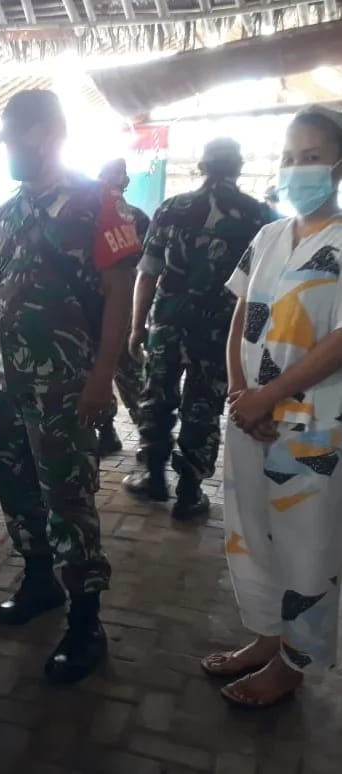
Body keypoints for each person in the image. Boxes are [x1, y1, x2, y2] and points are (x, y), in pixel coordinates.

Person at [0, 90, 142, 684]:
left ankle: (87, 623)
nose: (8, 150)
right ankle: (39, 581)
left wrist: (103, 377)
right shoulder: (7, 211)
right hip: (2, 381)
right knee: (14, 483)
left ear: (47, 135)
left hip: (63, 385)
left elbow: (119, 294)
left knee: (69, 497)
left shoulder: (100, 204)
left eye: (15, 138)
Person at [201, 106, 342, 708]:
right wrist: (241, 390)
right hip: (249, 416)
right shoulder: (268, 236)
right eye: (288, 158)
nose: (296, 169)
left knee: (307, 545)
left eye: (312, 157)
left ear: (338, 166)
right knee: (250, 532)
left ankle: (293, 663)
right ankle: (265, 636)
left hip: (313, 428)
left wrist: (269, 396)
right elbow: (242, 313)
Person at [123, 138, 266, 519]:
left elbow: (147, 274)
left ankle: (153, 476)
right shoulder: (259, 216)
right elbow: (261, 290)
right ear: (239, 167)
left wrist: (137, 328)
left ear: (201, 167)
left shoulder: (171, 209)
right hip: (221, 333)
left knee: (157, 398)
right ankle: (190, 493)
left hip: (167, 325)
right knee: (203, 405)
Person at [97, 158, 151, 457]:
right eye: (109, 174)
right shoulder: (92, 214)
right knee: (99, 373)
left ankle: (147, 435)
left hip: (125, 307)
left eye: (119, 175)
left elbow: (146, 269)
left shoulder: (137, 219)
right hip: (99, 307)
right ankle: (106, 431)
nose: (114, 180)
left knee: (129, 374)